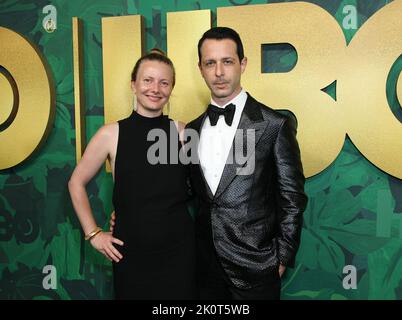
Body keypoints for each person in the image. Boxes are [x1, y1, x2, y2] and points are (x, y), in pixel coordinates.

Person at [185, 27, 308, 300]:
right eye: (210, 63)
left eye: (227, 61)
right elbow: (186, 192)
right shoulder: (192, 130)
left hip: (257, 268)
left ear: (242, 64)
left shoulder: (274, 125)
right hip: (205, 272)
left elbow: (292, 197)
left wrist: (281, 258)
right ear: (200, 69)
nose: (219, 72)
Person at [68, 49, 196, 300]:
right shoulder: (110, 134)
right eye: (147, 80)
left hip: (180, 253)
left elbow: (202, 190)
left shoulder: (183, 132)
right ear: (133, 84)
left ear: (171, 88)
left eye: (164, 82)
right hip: (131, 254)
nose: (155, 88)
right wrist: (94, 234)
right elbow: (76, 183)